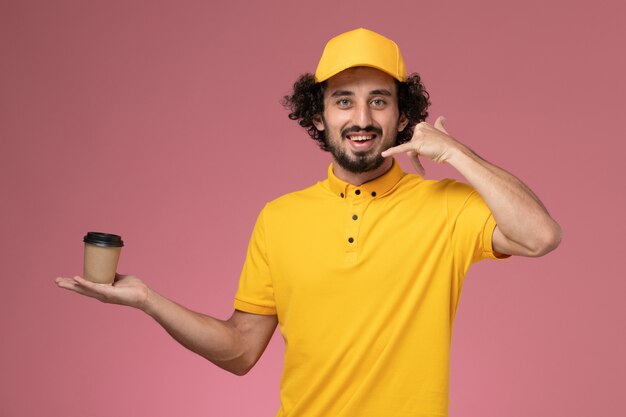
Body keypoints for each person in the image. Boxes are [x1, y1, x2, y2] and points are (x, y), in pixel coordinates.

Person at [56, 28, 561, 417]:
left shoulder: (446, 206)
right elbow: (239, 351)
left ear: (403, 117)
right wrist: (147, 299)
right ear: (317, 116)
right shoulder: (279, 219)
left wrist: (457, 153)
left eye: (378, 100)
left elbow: (540, 236)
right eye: (343, 100)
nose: (361, 117)